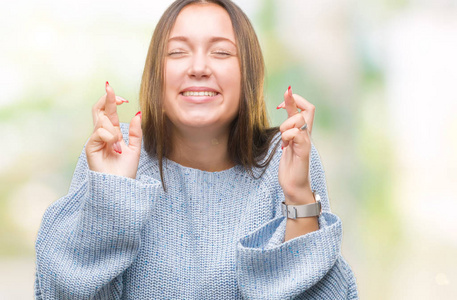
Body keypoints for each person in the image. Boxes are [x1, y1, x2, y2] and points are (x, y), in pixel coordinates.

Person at [34, 0, 358, 299]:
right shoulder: (116, 151)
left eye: (220, 52)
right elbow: (61, 292)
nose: (199, 67)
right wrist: (112, 198)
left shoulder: (286, 153)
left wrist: (299, 195)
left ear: (248, 73)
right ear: (156, 75)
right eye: (177, 52)